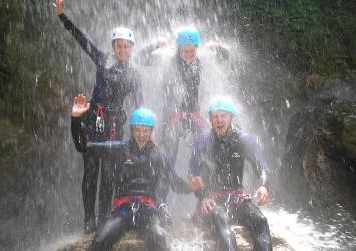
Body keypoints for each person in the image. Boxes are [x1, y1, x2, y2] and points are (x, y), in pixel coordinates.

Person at [56, 0, 143, 233]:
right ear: (113, 47)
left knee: (109, 174)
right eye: (119, 46)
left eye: (127, 46)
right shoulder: (102, 59)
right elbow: (82, 39)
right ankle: (88, 219)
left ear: (131, 48)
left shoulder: (134, 75)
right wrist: (62, 16)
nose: (122, 50)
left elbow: (140, 106)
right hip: (96, 119)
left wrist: (143, 132)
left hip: (116, 123)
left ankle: (104, 218)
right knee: (91, 170)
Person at [72, 99, 192, 250]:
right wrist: (75, 119)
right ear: (132, 130)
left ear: (151, 131)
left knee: (159, 238)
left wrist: (191, 187)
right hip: (123, 209)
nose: (142, 135)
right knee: (100, 240)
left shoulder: (159, 155)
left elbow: (175, 183)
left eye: (145, 130)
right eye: (138, 130)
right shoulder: (120, 149)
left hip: (147, 211)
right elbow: (83, 147)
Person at [187, 98, 273, 251]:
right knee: (222, 222)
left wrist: (264, 186)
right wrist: (202, 196)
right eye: (215, 116)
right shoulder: (202, 142)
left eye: (223, 115)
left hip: (236, 198)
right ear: (210, 119)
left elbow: (261, 168)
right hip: (212, 199)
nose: (219, 120)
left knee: (260, 220)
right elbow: (192, 174)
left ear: (231, 117)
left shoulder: (244, 139)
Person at [139, 27, 230, 163]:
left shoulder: (200, 60)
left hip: (193, 113)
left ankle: (202, 179)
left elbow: (226, 56)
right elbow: (140, 58)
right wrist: (155, 44)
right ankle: (165, 179)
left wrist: (216, 46)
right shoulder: (168, 59)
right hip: (172, 115)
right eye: (185, 51)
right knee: (167, 152)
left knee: (205, 149)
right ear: (179, 48)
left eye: (192, 51)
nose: (189, 54)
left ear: (197, 48)